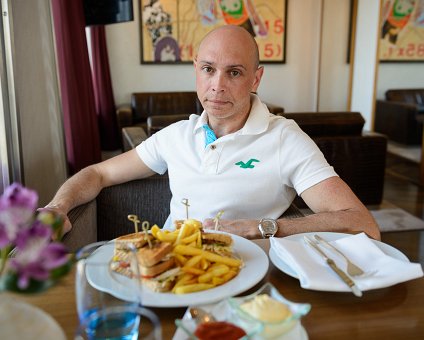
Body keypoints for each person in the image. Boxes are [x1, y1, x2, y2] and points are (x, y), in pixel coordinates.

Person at [44, 25, 380, 240]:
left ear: (256, 79)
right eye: (208, 69)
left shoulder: (285, 139)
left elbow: (363, 223)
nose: (217, 86)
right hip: (169, 266)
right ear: (196, 71)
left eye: (234, 72)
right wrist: (59, 208)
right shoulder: (175, 135)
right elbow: (97, 173)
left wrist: (268, 227)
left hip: (246, 282)